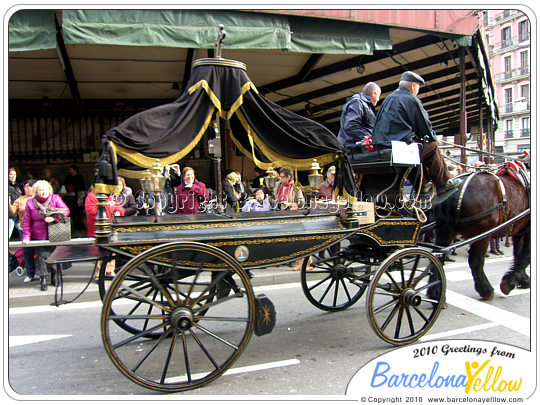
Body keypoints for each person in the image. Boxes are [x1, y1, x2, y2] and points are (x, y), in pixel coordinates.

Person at [372, 71, 461, 195]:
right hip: (396, 150)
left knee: (417, 150)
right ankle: (443, 182)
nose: (417, 92)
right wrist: (433, 138)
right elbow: (423, 126)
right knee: (432, 147)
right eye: (418, 88)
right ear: (413, 86)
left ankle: (422, 185)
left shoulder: (388, 99)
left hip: (382, 148)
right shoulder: (410, 99)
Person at [22, 180, 70, 291]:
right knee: (42, 257)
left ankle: (55, 276)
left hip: (55, 233)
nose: (43, 192)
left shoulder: (55, 198)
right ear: (36, 191)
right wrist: (26, 237)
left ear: (49, 190)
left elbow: (66, 211)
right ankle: (43, 278)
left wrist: (54, 218)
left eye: (45, 189)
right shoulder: (30, 203)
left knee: (55, 256)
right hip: (39, 235)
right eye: (40, 190)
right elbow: (26, 221)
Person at [85, 186, 125, 279]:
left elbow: (119, 207)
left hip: (110, 227)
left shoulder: (109, 196)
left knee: (112, 250)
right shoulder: (91, 197)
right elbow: (92, 211)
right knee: (100, 250)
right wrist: (108, 205)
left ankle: (110, 271)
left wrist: (118, 211)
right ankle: (98, 273)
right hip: (98, 228)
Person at [337, 82, 381, 151]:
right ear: (374, 93)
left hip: (355, 148)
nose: (378, 99)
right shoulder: (357, 102)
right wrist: (368, 139)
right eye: (379, 95)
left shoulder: (361, 103)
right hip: (353, 149)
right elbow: (351, 125)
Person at [9, 179, 36, 282]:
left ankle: (44, 273)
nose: (25, 188)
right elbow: (12, 212)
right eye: (24, 187)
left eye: (27, 186)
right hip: (23, 228)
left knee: (40, 251)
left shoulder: (37, 198)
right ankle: (30, 273)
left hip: (37, 228)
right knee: (27, 252)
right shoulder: (20, 199)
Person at [8, 167, 23, 239]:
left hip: (18, 214)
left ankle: (23, 250)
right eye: (11, 174)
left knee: (23, 233)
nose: (13, 176)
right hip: (9, 215)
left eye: (14, 174)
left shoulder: (18, 187)